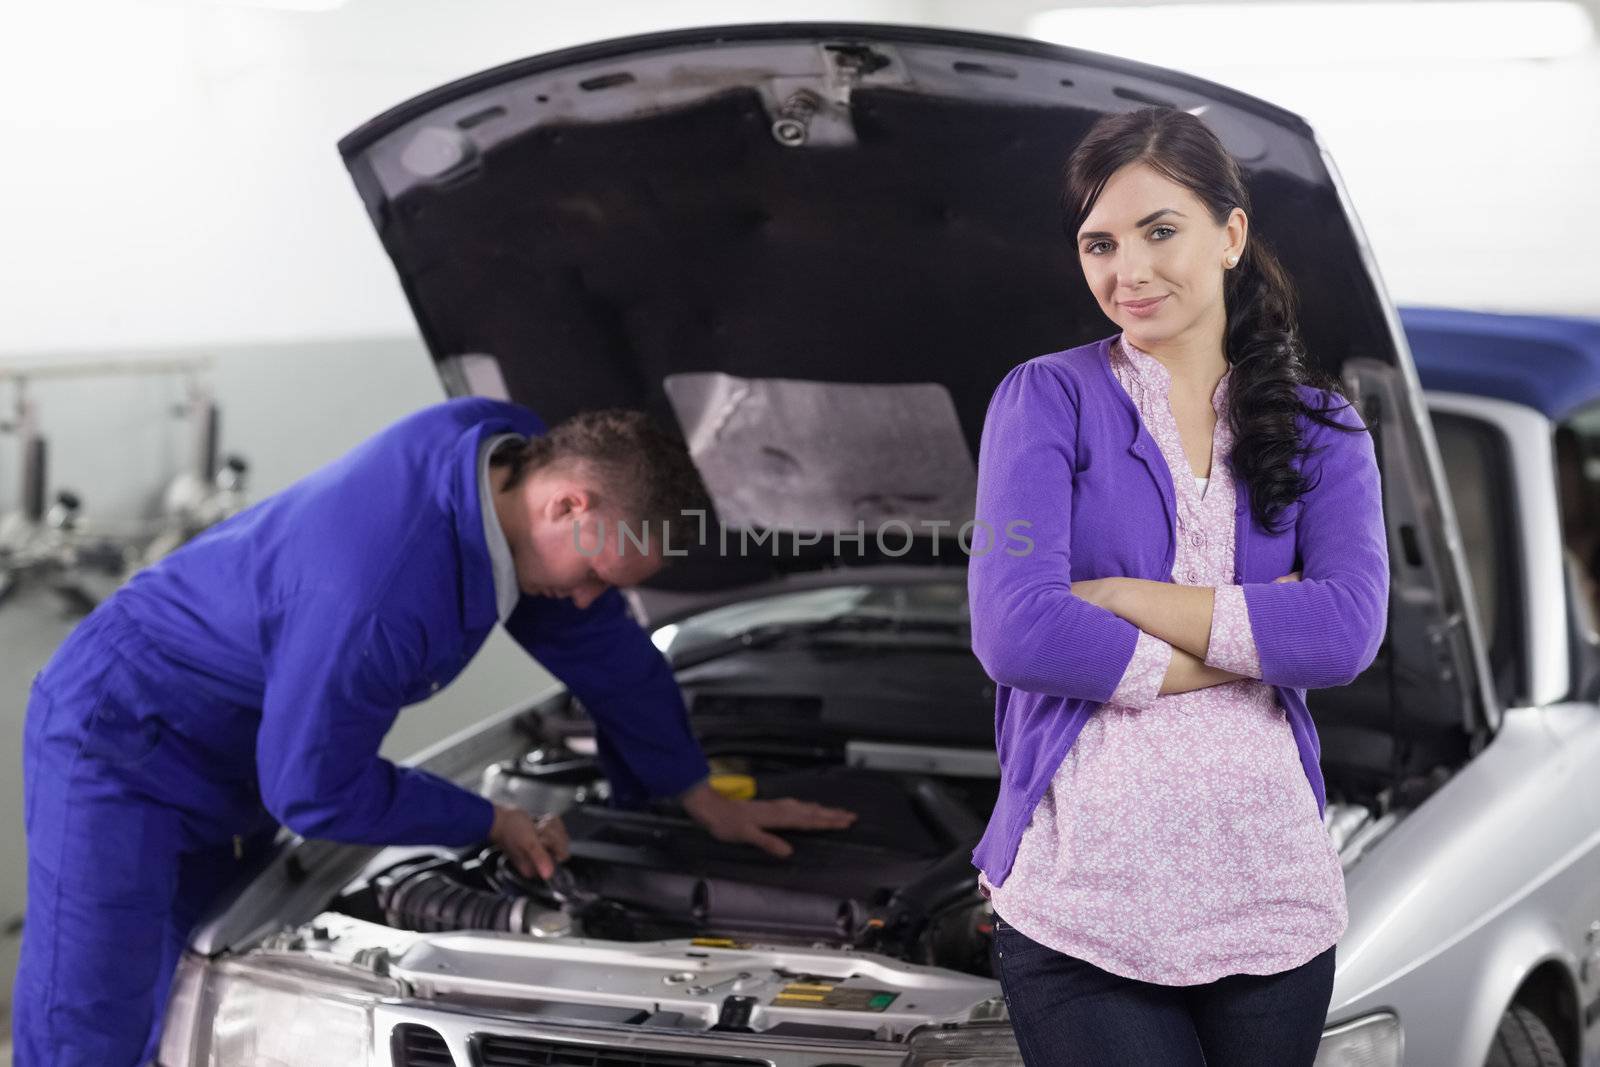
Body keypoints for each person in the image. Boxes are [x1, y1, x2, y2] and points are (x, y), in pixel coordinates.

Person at [13, 398, 856, 1066]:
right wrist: (486, 819)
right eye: (597, 572)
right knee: (91, 1021)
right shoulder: (382, 597)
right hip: (121, 738)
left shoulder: (502, 447)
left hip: (237, 742)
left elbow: (605, 652)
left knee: (186, 989)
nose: (592, 596)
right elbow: (314, 787)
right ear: (569, 501)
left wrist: (693, 788)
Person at [967, 107, 1389, 1066]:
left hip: (1270, 900)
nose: (1130, 271)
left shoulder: (1325, 428)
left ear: (1231, 235)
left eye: (1161, 230)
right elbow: (1016, 632)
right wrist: (1249, 639)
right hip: (1084, 910)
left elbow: (1344, 634)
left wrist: (1118, 593)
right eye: (1100, 243)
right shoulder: (1042, 398)